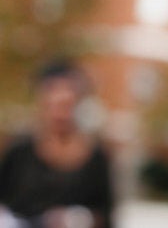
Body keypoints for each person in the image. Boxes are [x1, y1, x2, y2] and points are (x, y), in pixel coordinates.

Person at [0, 59, 114, 228]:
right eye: (55, 105)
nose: (60, 114)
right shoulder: (19, 152)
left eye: (66, 105)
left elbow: (106, 213)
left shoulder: (96, 157)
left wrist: (80, 218)